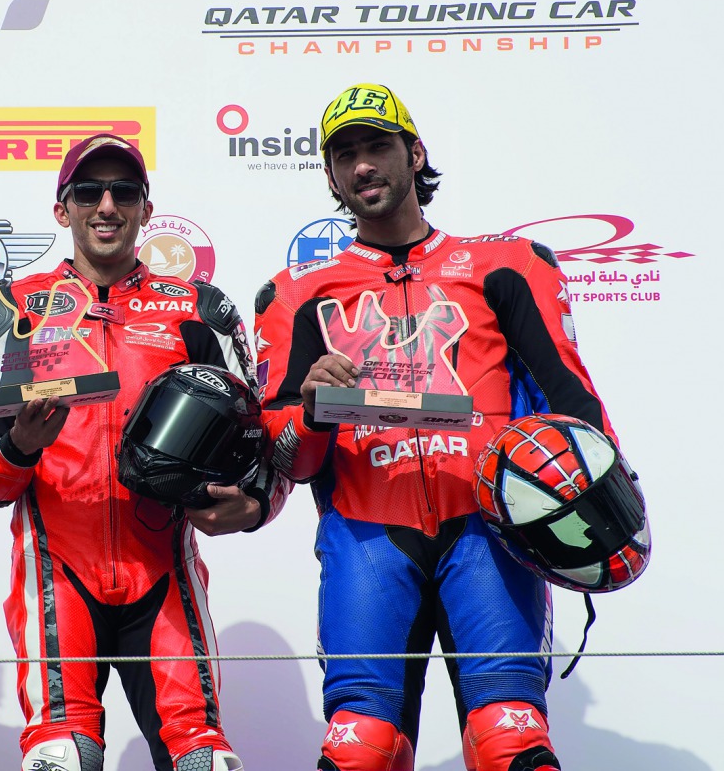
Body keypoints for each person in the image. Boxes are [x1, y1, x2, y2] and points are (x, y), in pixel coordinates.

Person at [255, 84, 617, 771]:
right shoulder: (298, 292)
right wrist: (310, 411)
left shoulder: (506, 267)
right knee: (360, 751)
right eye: (345, 155)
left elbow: (573, 404)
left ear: (414, 153)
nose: (362, 166)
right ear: (330, 176)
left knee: (511, 745)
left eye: (377, 147)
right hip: (366, 538)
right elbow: (287, 460)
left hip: (490, 530)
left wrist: (601, 507)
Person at [0, 134, 285, 771]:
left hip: (163, 570)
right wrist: (22, 445)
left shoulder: (200, 309)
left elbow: (261, 444)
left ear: (145, 210)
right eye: (88, 192)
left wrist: (253, 505)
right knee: (60, 757)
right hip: (57, 575)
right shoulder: (10, 311)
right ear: (62, 209)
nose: (106, 205)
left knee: (203, 762)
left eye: (123, 192)